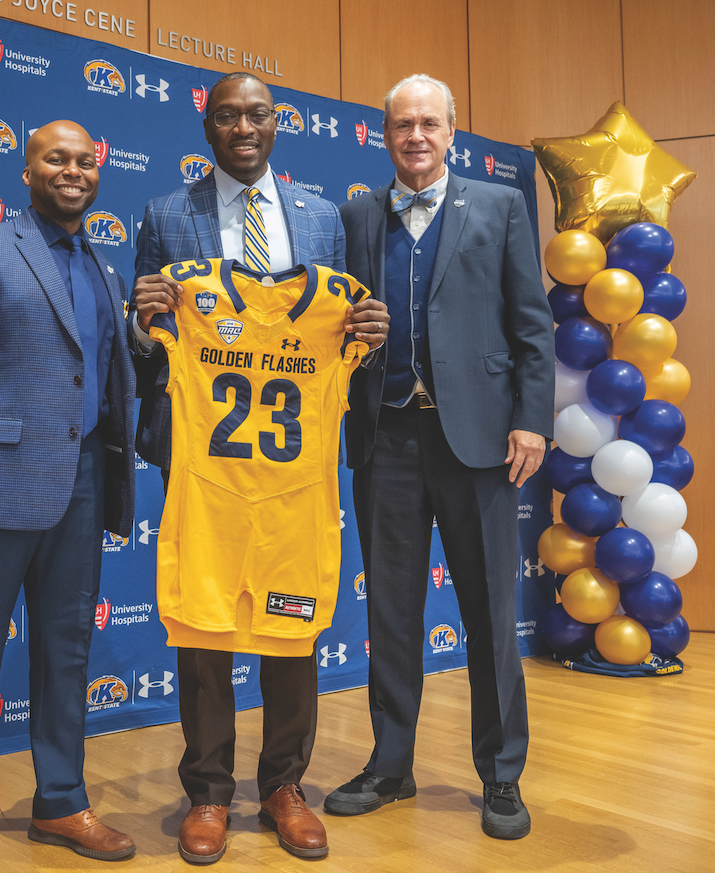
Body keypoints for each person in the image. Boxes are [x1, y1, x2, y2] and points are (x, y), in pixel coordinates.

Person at [131, 72, 389, 863]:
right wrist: (147, 324)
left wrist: (367, 332)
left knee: (291, 626)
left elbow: (339, 323)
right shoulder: (165, 214)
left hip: (292, 465)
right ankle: (207, 789)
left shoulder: (321, 218)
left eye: (257, 115)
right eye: (228, 117)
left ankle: (284, 784)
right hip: (204, 456)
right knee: (204, 625)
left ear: (278, 124)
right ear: (207, 127)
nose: (243, 128)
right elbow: (144, 344)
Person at [324, 74, 554, 840]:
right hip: (386, 436)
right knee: (390, 611)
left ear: (453, 130)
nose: (415, 136)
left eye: (428, 123)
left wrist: (531, 420)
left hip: (482, 442)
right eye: (401, 124)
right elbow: (332, 321)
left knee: (490, 611)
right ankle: (391, 764)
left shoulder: (499, 206)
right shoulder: (359, 213)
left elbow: (532, 326)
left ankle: (501, 774)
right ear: (383, 134)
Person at [0, 120, 137, 873]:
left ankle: (60, 802)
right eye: (56, 158)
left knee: (67, 651)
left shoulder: (104, 270)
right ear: (27, 170)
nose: (72, 170)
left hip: (81, 483)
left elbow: (99, 372)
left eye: (84, 159)